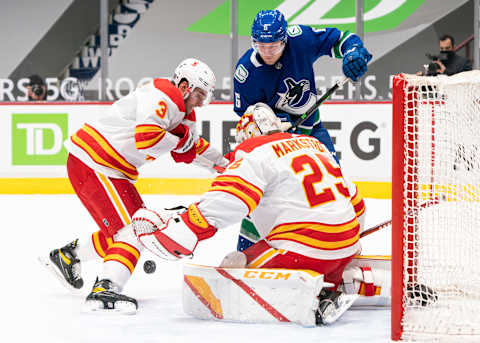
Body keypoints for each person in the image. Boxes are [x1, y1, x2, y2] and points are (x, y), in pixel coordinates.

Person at [132, 102, 366, 324]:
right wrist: (346, 244)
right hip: (346, 247)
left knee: (233, 264)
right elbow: (357, 204)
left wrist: (189, 227)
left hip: (303, 251)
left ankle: (308, 298)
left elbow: (230, 198)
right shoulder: (316, 145)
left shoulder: (254, 150)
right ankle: (336, 282)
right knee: (315, 252)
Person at [39, 58, 228, 313]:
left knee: (133, 229)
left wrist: (223, 164)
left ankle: (68, 257)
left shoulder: (184, 112)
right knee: (132, 231)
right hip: (95, 162)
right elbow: (147, 138)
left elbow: (191, 148)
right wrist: (179, 143)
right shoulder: (163, 96)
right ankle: (105, 289)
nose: (200, 102)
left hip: (108, 168)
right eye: (198, 94)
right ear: (184, 86)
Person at [233, 9, 372, 163]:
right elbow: (246, 115)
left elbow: (342, 39)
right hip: (275, 144)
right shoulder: (246, 73)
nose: (267, 53)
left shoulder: (300, 40)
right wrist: (277, 123)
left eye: (273, 46)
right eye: (261, 45)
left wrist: (353, 53)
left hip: (312, 129)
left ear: (284, 40)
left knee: (334, 177)